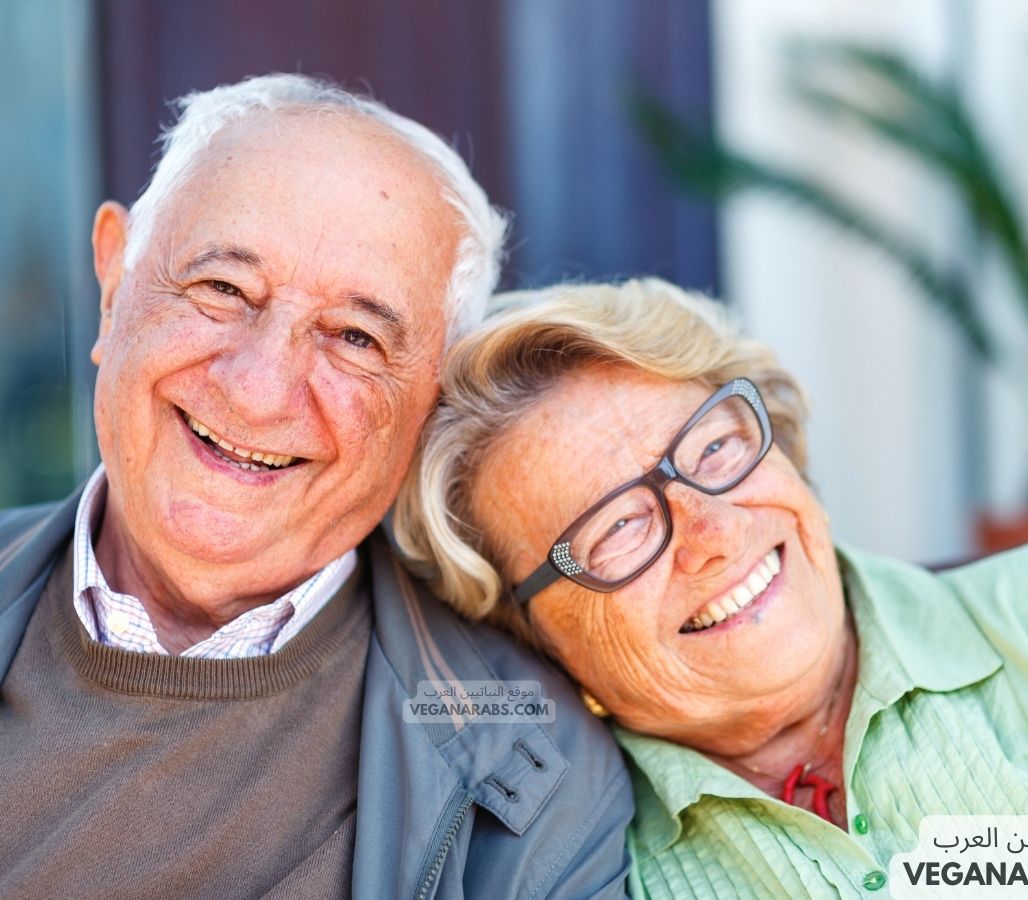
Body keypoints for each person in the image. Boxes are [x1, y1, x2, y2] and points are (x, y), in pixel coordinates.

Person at [0, 74, 633, 899]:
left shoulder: (534, 773)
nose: (259, 388)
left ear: (432, 401)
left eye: (354, 338)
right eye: (222, 288)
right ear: (116, 282)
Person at [395, 278, 1028, 899]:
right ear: (536, 631)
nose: (712, 531)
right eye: (617, 528)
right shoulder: (590, 857)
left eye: (712, 448)